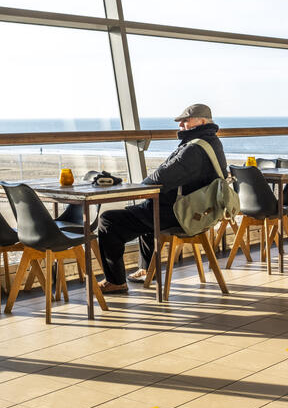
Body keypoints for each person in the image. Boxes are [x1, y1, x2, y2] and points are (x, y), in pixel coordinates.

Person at [97, 103, 227, 293]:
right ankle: (148, 270)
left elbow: (162, 177)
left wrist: (143, 185)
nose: (181, 124)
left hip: (182, 215)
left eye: (186, 120)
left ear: (202, 121)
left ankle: (115, 281)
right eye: (180, 121)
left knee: (108, 220)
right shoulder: (212, 143)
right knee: (145, 211)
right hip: (202, 211)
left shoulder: (194, 149)